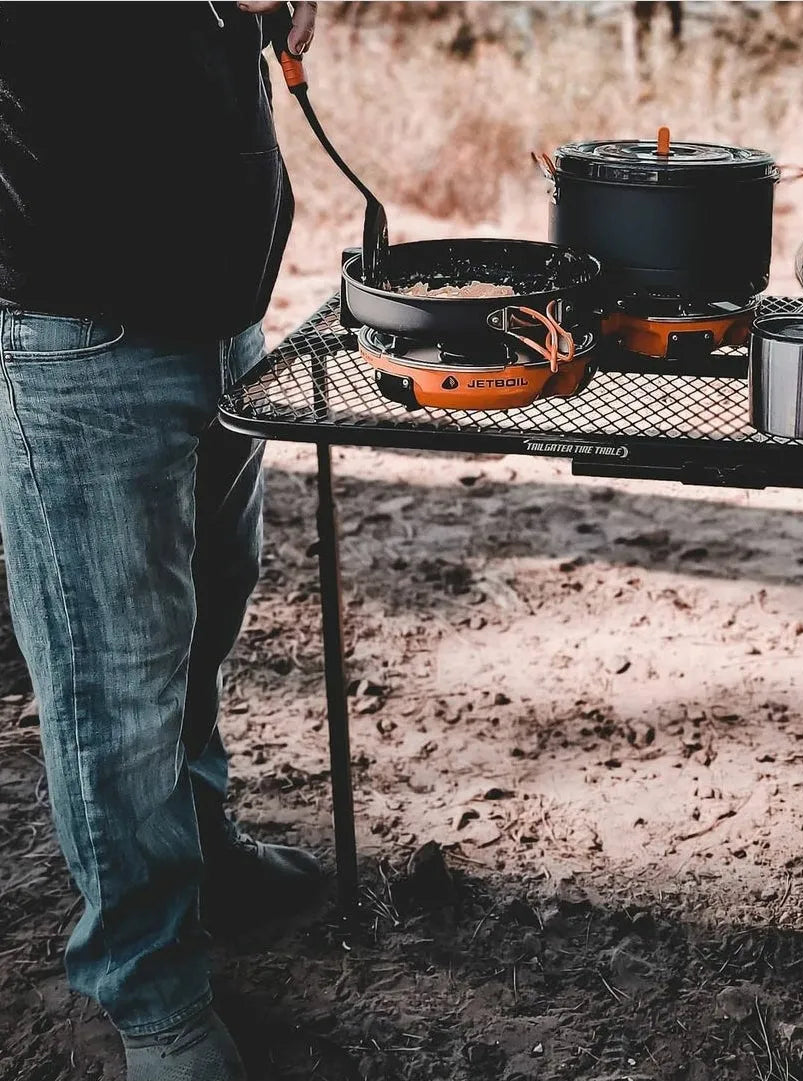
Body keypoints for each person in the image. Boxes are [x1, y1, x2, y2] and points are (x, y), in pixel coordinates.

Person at [0, 3, 319, 1078]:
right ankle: (152, 993)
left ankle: (205, 850)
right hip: (78, 319)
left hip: (220, 306)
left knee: (205, 617)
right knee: (112, 686)